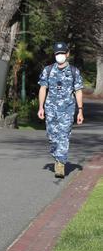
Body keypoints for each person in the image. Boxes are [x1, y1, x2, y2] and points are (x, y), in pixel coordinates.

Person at [37, 42, 84, 178]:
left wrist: (80, 110)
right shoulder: (48, 70)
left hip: (67, 109)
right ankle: (57, 156)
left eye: (62, 53)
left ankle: (60, 163)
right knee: (52, 137)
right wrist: (41, 107)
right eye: (58, 53)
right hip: (50, 108)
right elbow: (43, 89)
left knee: (63, 136)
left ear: (67, 54)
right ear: (54, 55)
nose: (60, 56)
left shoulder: (74, 71)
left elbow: (78, 91)